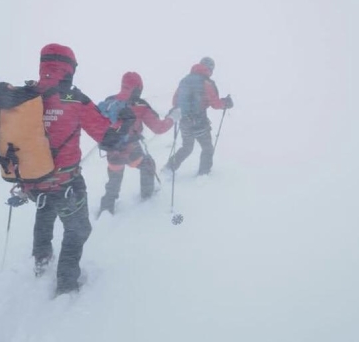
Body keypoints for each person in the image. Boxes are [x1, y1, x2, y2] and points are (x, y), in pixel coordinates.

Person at [22, 43, 134, 296]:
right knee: (79, 228)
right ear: (69, 69)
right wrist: (125, 123)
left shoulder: (28, 95)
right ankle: (66, 283)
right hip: (66, 182)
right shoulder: (74, 99)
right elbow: (108, 139)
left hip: (34, 180)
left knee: (45, 212)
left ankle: (41, 260)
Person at [98, 71, 181, 216]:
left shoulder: (109, 101)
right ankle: (147, 197)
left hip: (112, 150)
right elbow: (158, 128)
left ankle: (106, 208)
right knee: (148, 165)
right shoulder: (140, 105)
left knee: (114, 178)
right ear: (138, 87)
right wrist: (172, 118)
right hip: (131, 149)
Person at [165, 57, 233, 175]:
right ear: (210, 69)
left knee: (187, 147)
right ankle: (203, 174)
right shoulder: (206, 82)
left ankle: (169, 168)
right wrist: (226, 103)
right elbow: (216, 104)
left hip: (184, 120)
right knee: (207, 148)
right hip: (199, 121)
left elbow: (174, 102)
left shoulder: (185, 80)